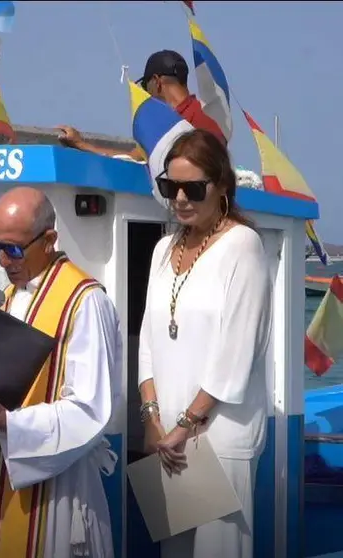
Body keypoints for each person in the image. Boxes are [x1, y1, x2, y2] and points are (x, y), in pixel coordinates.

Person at [0, 186, 123, 558]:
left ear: (49, 239)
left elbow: (91, 411)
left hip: (56, 483)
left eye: (12, 250)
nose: (3, 261)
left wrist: (11, 424)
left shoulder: (86, 302)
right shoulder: (9, 298)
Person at [137, 128, 271, 558]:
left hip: (218, 438)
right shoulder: (162, 250)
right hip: (168, 438)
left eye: (193, 188)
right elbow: (148, 340)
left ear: (222, 186)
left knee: (220, 551)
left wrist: (183, 428)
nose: (179, 198)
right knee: (174, 552)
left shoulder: (243, 247)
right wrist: (152, 420)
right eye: (169, 187)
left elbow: (235, 357)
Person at [57, 50, 226, 160]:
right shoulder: (207, 117)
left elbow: (132, 159)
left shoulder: (172, 125)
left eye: (146, 86)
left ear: (157, 82)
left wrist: (80, 143)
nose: (147, 94)